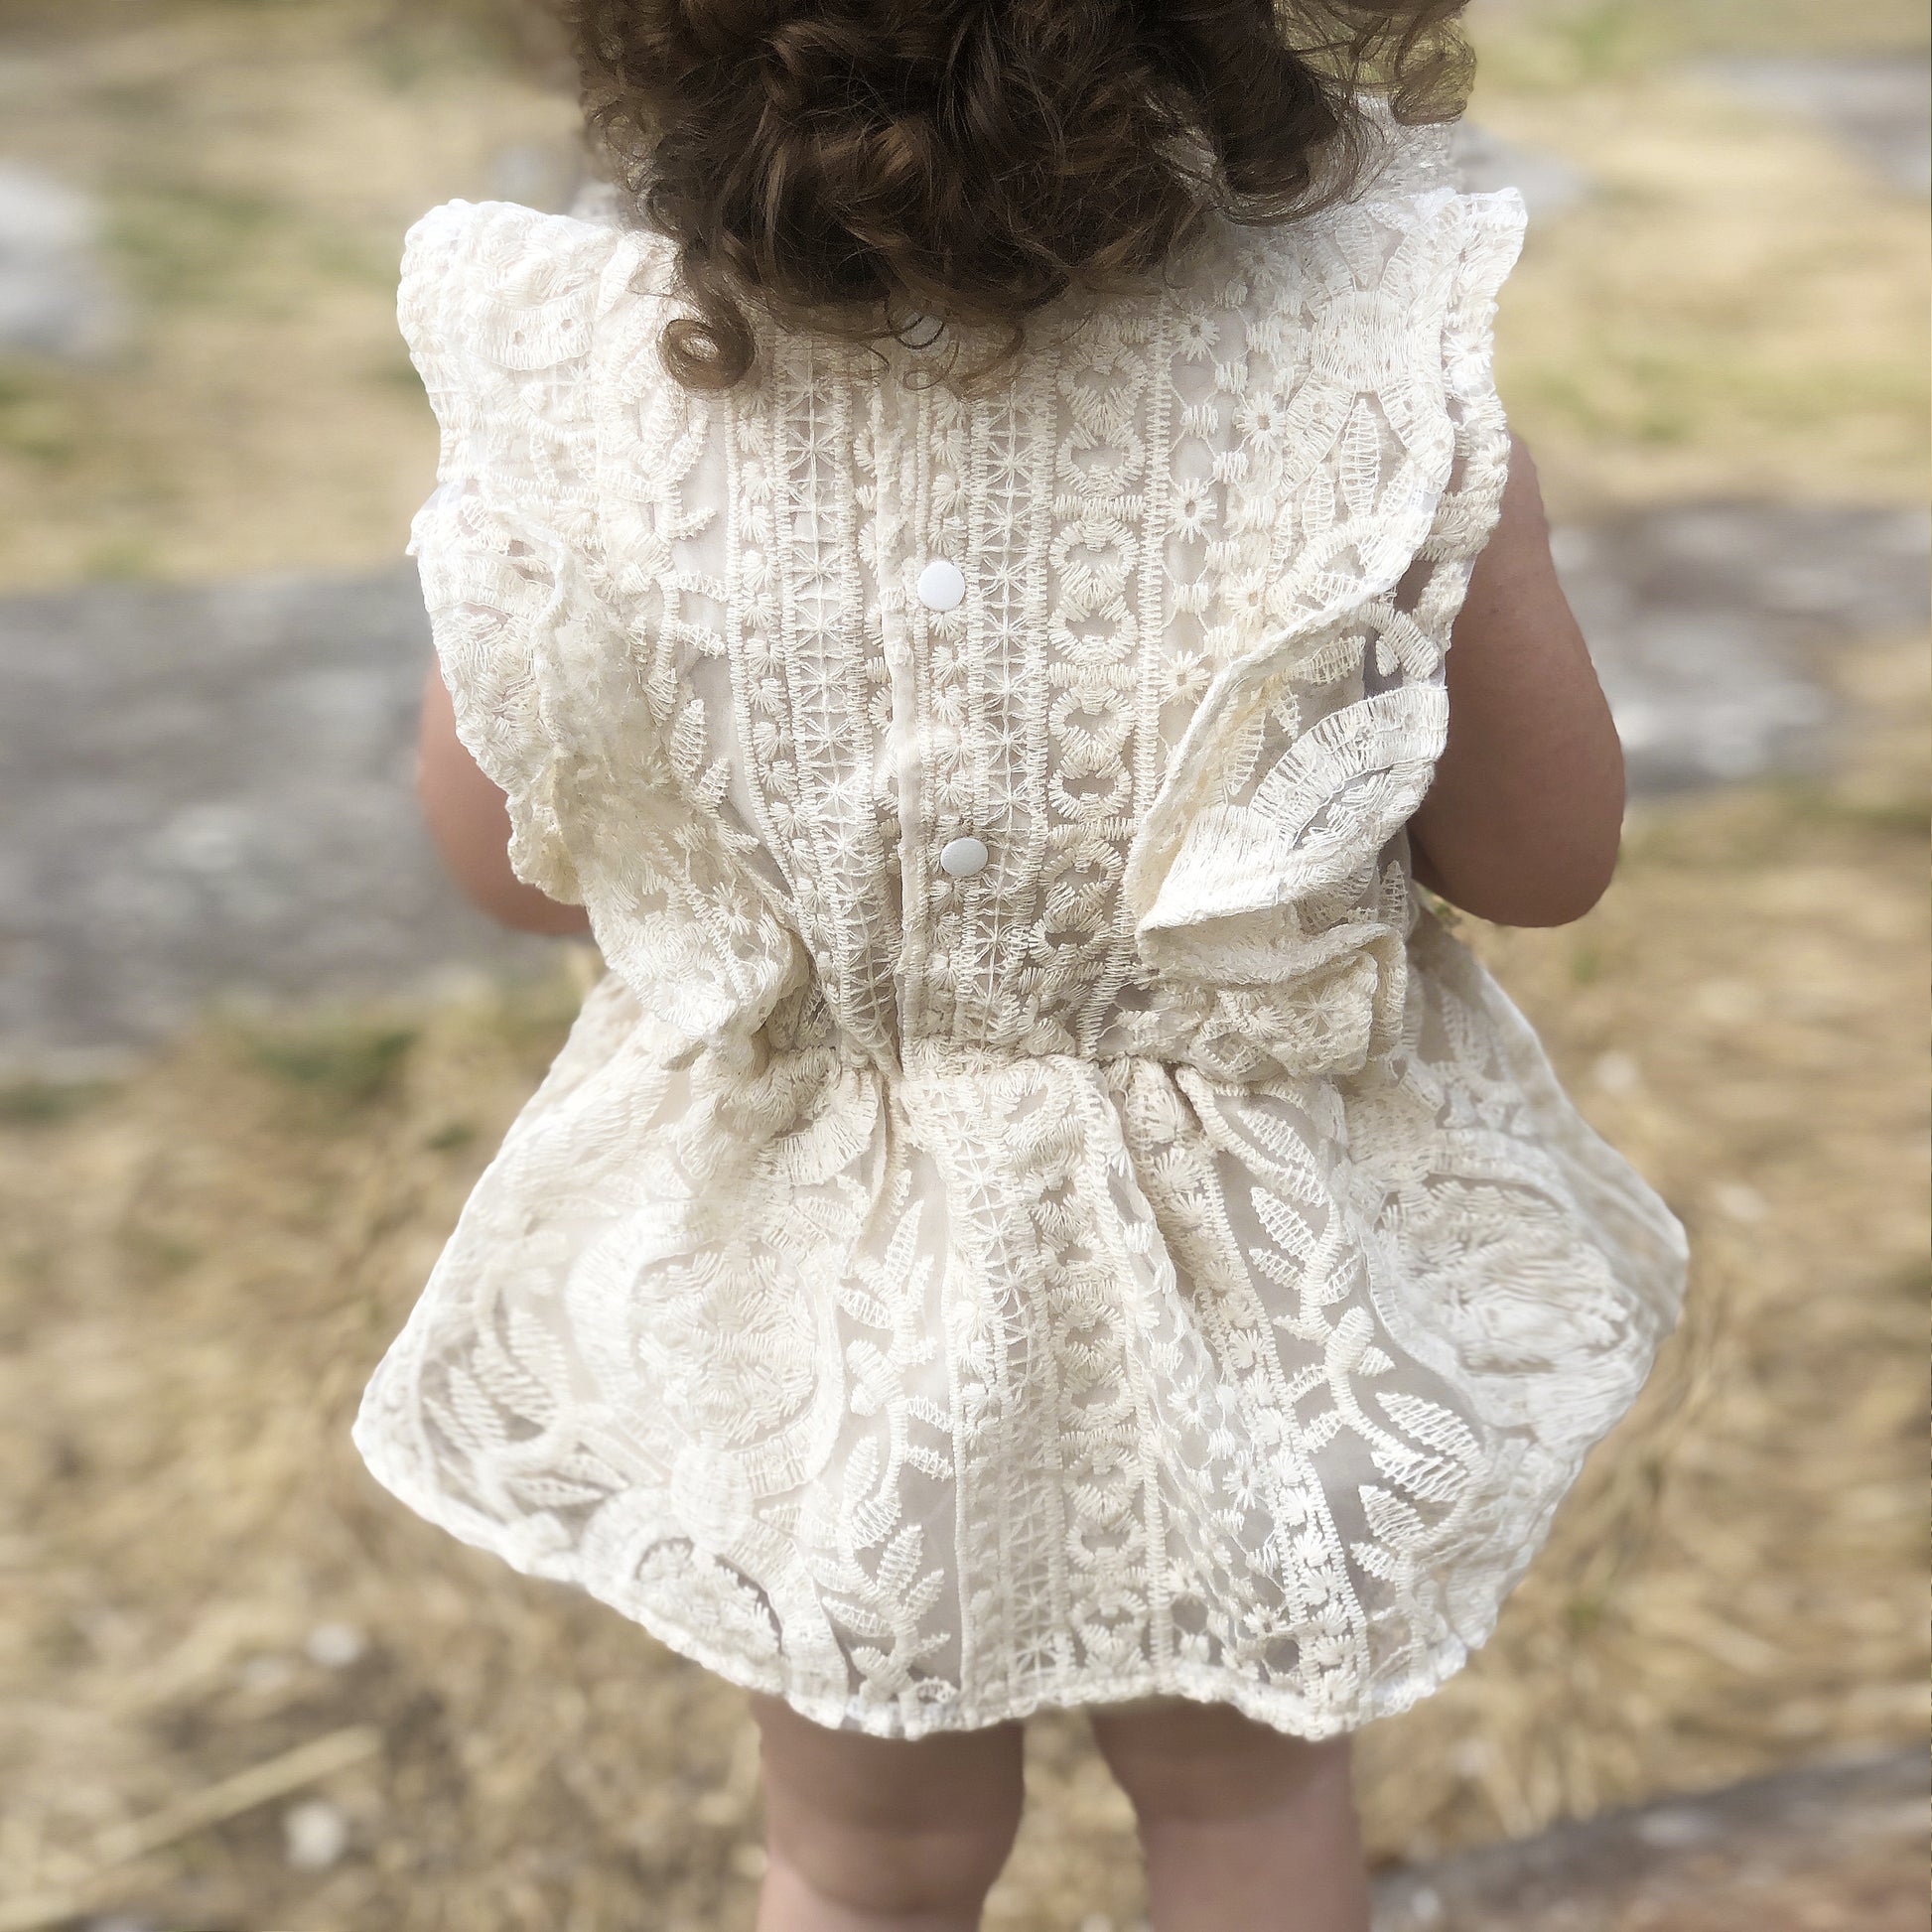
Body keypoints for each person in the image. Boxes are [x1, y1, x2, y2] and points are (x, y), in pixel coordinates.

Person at [353, 1, 1688, 1924]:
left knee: (861, 1848)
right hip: (1234, 1266)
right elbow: (1543, 861)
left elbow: (513, 867)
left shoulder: (595, 387)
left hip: (836, 1276)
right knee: (1241, 1806)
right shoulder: (1360, 372)